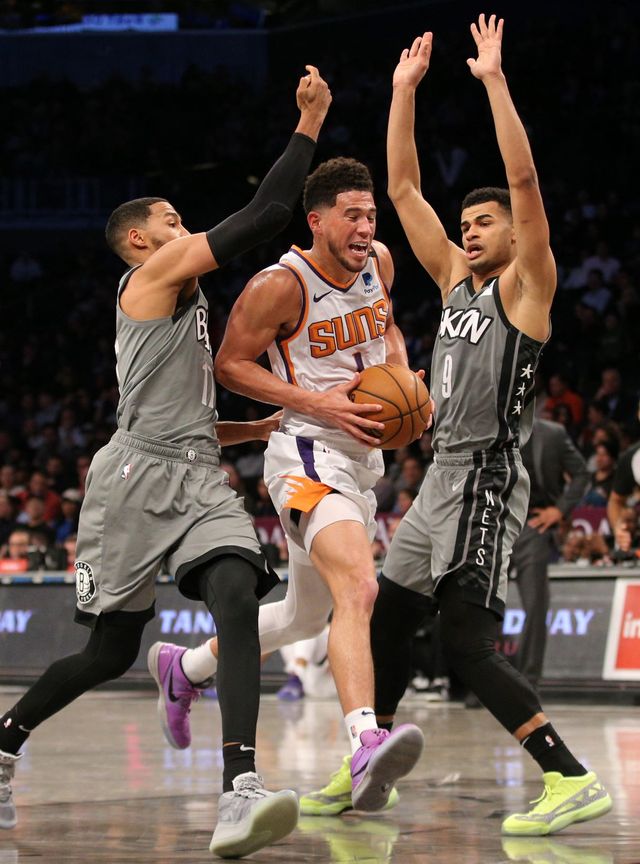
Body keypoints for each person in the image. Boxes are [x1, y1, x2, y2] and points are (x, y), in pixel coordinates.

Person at [0, 67, 331, 860]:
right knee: (108, 651)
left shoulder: (184, 303)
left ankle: (239, 787)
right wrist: (309, 123)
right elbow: (267, 214)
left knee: (234, 594)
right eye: (175, 220)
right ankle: (6, 739)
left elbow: (185, 423)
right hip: (131, 482)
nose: (187, 229)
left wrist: (252, 430)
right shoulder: (149, 279)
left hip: (194, 475)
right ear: (143, 241)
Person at [344, 16, 611, 836]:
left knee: (463, 644)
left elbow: (525, 184)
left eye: (484, 222)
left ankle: (569, 777)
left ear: (511, 233)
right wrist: (401, 93)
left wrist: (493, 80)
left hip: (489, 477)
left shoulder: (526, 288)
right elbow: (399, 191)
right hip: (436, 480)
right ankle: (368, 769)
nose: (470, 229)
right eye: (466, 223)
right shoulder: (456, 281)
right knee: (387, 615)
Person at [149, 156, 424, 813]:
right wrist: (317, 403)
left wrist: (408, 384)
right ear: (318, 220)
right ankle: (363, 744)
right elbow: (230, 365)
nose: (365, 227)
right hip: (302, 456)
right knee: (360, 585)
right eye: (353, 215)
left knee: (307, 614)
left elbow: (387, 327)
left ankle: (183, 670)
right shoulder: (281, 285)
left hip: (358, 460)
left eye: (372, 215)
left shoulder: (379, 264)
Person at [509, 418, 590, 690]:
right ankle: (486, 681)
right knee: (483, 605)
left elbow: (581, 473)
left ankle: (527, 682)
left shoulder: (552, 433)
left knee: (535, 605)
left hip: (534, 524)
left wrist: (560, 509)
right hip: (495, 522)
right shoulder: (489, 425)